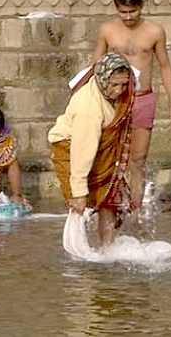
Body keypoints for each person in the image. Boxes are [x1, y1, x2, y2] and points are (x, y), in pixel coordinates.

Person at [92, 0, 171, 220]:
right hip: (113, 101)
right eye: (124, 12)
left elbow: (165, 66)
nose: (129, 17)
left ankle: (135, 211)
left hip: (143, 99)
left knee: (137, 160)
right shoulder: (106, 30)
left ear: (141, 6)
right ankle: (109, 208)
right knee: (108, 157)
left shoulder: (155, 31)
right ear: (117, 8)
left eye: (133, 11)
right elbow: (96, 67)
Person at [48, 53, 135, 247]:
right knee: (80, 204)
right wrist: (78, 192)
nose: (119, 90)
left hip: (100, 147)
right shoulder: (88, 109)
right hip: (71, 148)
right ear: (102, 79)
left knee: (108, 199)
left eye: (123, 84)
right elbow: (81, 154)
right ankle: (84, 257)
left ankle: (107, 248)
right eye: (114, 85)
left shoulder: (120, 94)